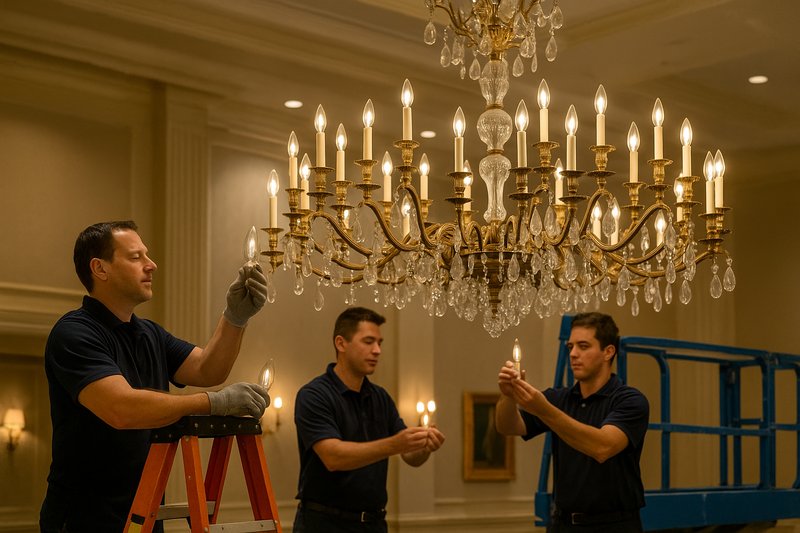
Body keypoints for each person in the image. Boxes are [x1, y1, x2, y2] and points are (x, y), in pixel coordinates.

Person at [40, 220, 271, 533]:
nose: (152, 265)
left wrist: (235, 317)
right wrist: (213, 403)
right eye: (136, 258)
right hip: (84, 516)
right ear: (100, 269)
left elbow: (207, 369)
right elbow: (121, 409)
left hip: (144, 509)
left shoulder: (149, 333)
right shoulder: (74, 333)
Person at [293, 307, 445, 533]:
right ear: (341, 343)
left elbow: (410, 457)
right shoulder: (314, 395)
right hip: (324, 524)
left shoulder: (380, 398)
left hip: (373, 524)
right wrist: (394, 444)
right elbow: (333, 457)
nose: (377, 351)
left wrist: (424, 445)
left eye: (380, 343)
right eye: (368, 341)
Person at [495, 312, 649, 533]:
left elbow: (602, 447)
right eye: (570, 347)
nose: (574, 354)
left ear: (608, 352)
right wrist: (508, 396)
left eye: (583, 346)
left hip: (614, 525)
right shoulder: (559, 398)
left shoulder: (630, 400)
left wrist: (544, 409)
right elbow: (507, 426)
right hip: (563, 524)